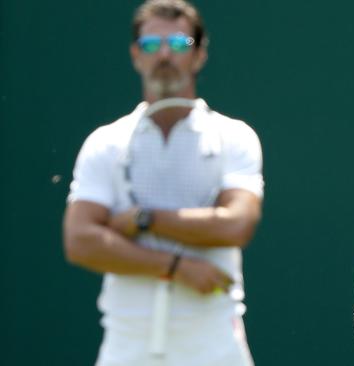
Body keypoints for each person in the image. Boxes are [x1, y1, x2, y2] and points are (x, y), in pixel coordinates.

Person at [63, 0, 263, 365]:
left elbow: (237, 224)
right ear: (136, 55)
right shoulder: (105, 143)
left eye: (180, 44)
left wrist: (144, 219)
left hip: (215, 344)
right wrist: (176, 267)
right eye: (153, 45)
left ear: (200, 55)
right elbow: (80, 241)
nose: (165, 55)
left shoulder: (233, 137)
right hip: (126, 346)